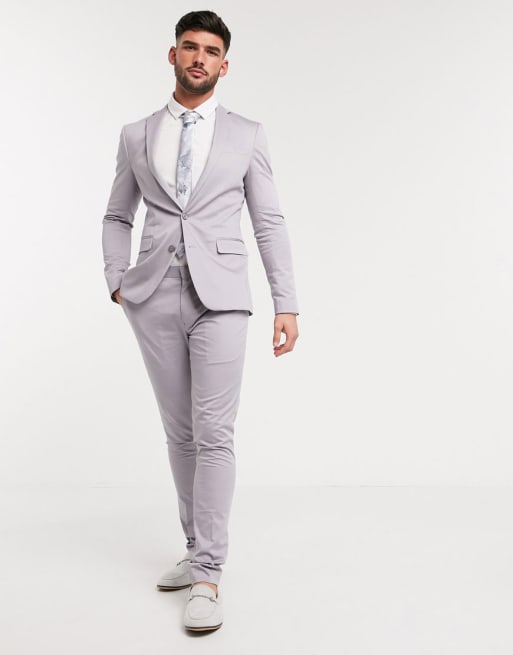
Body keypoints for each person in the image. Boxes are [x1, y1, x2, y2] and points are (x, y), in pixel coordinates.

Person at [101, 10, 299, 632]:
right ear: (173, 55)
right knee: (180, 432)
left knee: (214, 433)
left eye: (211, 51)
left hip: (223, 298)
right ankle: (194, 550)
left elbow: (268, 220)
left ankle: (209, 573)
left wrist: (286, 301)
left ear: (224, 65)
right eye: (190, 47)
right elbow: (117, 215)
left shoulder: (246, 134)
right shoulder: (137, 134)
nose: (199, 58)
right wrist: (116, 278)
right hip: (152, 296)